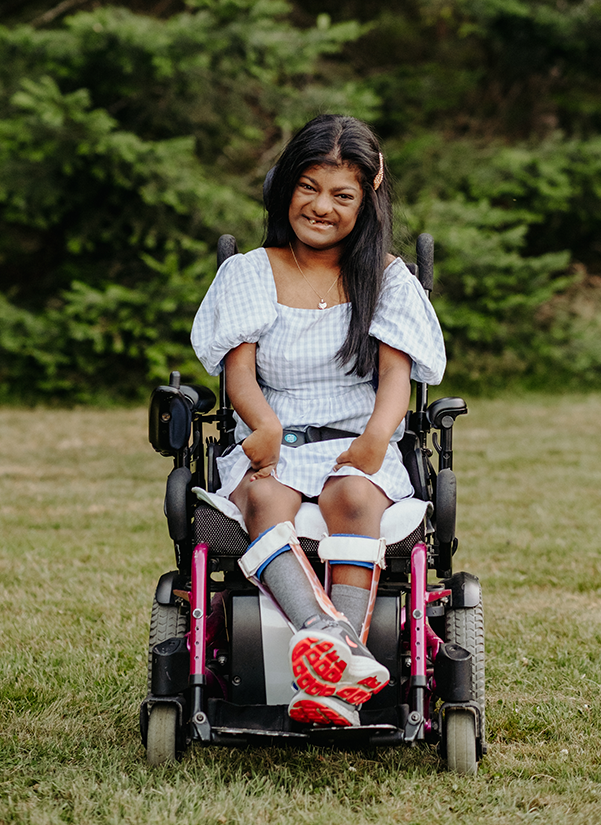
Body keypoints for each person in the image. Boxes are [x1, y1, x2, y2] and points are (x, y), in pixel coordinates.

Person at [190, 113, 446, 728]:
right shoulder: (251, 270)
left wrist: (376, 440)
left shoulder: (385, 278)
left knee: (356, 495)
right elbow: (239, 374)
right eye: (309, 187)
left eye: (342, 195)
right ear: (286, 188)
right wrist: (263, 424)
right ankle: (330, 643)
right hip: (274, 434)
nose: (321, 206)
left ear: (367, 201)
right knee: (263, 496)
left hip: (358, 439)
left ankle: (330, 673)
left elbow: (393, 382)